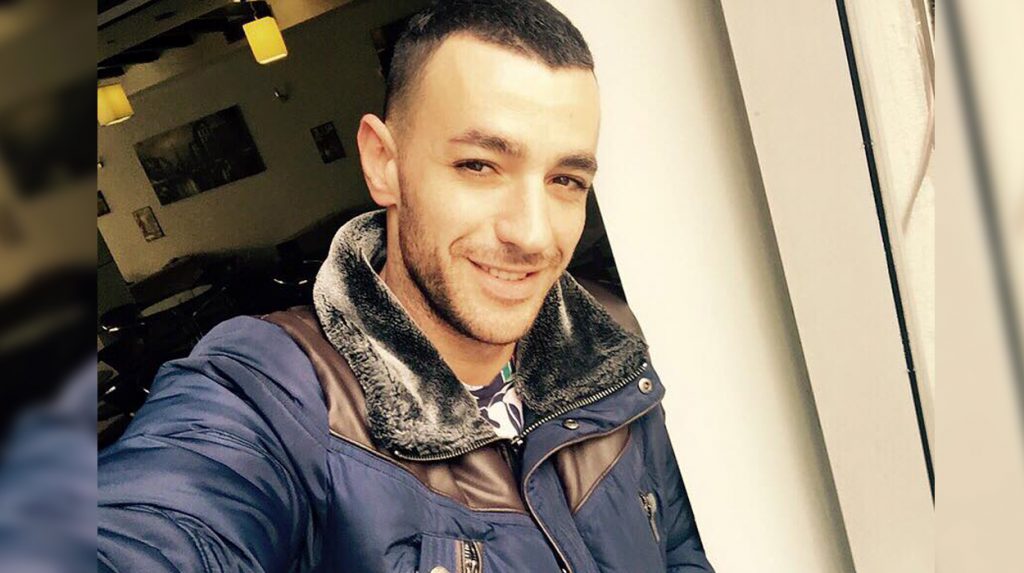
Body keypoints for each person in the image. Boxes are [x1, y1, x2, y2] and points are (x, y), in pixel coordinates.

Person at [98, 0, 714, 571]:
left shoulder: (605, 336)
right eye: (479, 165)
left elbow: (678, 546)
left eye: (566, 180)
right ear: (383, 164)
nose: (532, 234)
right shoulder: (276, 392)